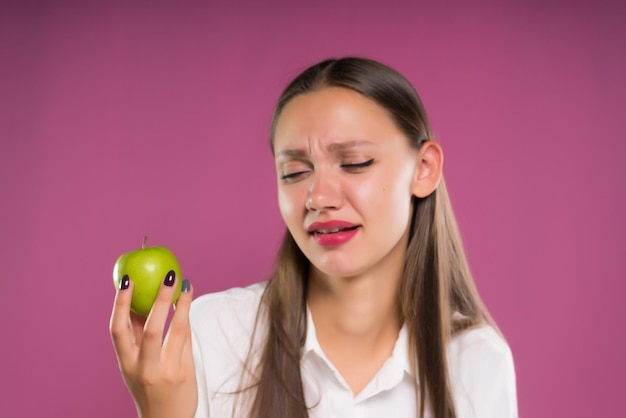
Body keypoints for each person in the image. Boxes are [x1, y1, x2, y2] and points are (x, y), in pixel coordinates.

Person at [110, 57, 518, 418]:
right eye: (294, 173)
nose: (318, 197)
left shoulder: (477, 361)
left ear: (424, 169)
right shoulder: (218, 330)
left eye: (354, 163)